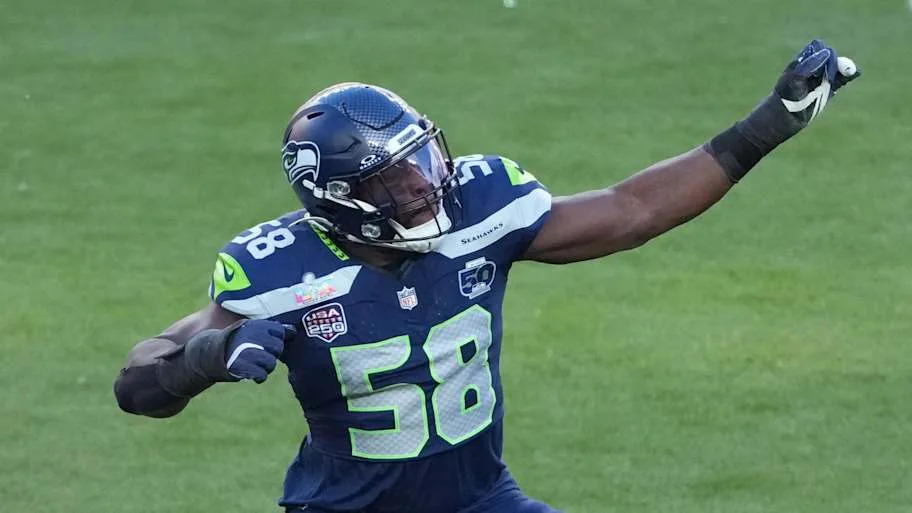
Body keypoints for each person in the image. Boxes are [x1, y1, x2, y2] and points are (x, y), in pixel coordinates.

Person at [114, 40, 860, 513]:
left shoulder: (478, 211)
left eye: (421, 160)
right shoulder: (280, 270)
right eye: (393, 179)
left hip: (481, 499)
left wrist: (769, 125)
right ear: (339, 199)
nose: (424, 185)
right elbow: (138, 379)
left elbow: (632, 210)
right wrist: (211, 356)